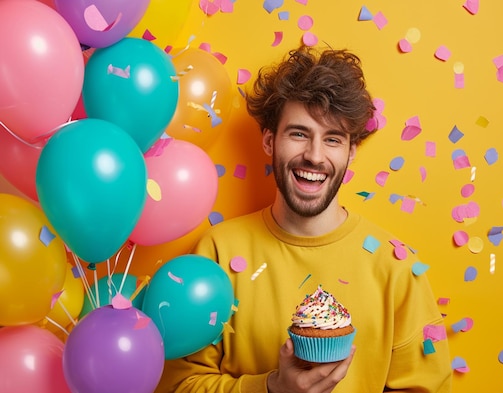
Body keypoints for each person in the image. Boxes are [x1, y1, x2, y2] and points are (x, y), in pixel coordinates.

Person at [156, 45, 452, 393]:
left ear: (351, 152)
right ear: (270, 141)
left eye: (332, 139)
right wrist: (271, 388)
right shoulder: (218, 252)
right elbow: (177, 385)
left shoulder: (396, 268)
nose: (314, 156)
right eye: (299, 133)